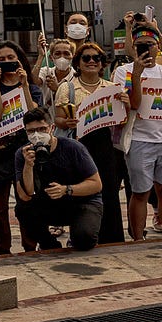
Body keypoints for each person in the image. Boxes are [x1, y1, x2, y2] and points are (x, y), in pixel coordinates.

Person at [0, 40, 48, 255]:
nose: (7, 62)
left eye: (11, 58)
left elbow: (34, 114)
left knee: (26, 200)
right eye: (2, 59)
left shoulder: (32, 86)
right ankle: (3, 248)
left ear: (19, 59)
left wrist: (25, 85)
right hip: (0, 153)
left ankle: (30, 244)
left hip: (25, 151)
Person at [56, 43, 127, 244]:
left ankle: (111, 237)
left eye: (96, 58)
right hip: (78, 145)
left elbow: (121, 121)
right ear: (78, 63)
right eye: (86, 58)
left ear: (102, 63)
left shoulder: (111, 88)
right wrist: (67, 121)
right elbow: (58, 119)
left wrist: (126, 105)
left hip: (106, 147)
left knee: (109, 192)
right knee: (81, 191)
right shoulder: (67, 87)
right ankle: (81, 234)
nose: (91, 61)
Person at [116, 23, 162, 241]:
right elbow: (133, 105)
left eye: (150, 44)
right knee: (141, 192)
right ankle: (138, 239)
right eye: (140, 45)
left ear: (158, 48)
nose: (146, 48)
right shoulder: (122, 72)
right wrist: (136, 74)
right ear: (133, 47)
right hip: (139, 140)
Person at [14, 107, 103, 251]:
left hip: (81, 201)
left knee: (84, 239)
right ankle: (48, 243)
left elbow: (96, 184)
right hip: (48, 204)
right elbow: (26, 195)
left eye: (42, 129)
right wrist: (28, 166)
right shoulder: (22, 153)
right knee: (23, 209)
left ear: (51, 128)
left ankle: (77, 236)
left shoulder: (73, 148)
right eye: (31, 131)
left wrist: (66, 189)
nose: (37, 135)